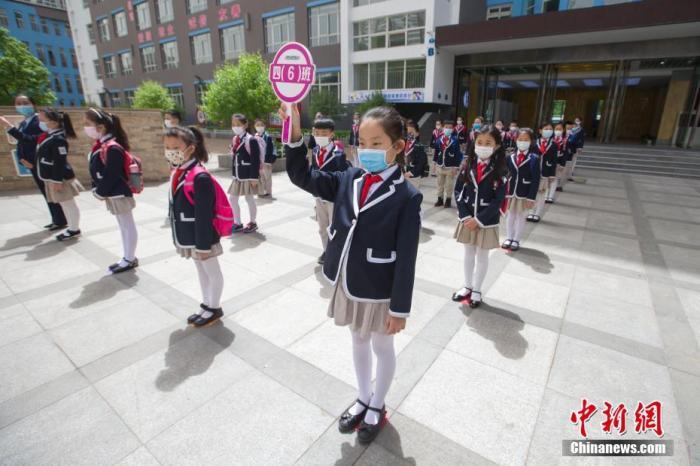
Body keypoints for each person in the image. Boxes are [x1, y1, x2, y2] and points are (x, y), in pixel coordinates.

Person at [282, 102, 421, 445]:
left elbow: (407, 258)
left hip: (379, 288)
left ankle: (377, 405)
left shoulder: (407, 196)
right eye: (362, 142)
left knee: (381, 344)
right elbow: (304, 176)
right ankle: (362, 396)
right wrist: (296, 133)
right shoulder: (350, 177)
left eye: (377, 144)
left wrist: (399, 309)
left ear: (398, 146)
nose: (367, 150)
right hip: (348, 279)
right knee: (357, 339)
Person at [165, 125, 225, 327]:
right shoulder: (179, 171)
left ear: (190, 148)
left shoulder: (199, 176)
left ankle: (214, 307)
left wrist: (203, 245)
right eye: (167, 147)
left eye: (175, 147)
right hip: (189, 234)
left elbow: (204, 215)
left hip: (202, 237)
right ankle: (207, 303)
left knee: (211, 270)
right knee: (201, 270)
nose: (170, 151)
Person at [452, 125, 507, 308]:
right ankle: (467, 286)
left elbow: (498, 200)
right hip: (467, 220)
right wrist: (466, 216)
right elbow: (458, 191)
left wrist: (479, 219)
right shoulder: (467, 165)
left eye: (488, 143)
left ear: (497, 146)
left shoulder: (501, 170)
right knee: (468, 253)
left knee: (482, 256)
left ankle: (477, 289)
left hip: (486, 221)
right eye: (480, 142)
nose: (482, 146)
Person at [0, 95, 67, 230]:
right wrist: (21, 158)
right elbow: (21, 143)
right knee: (45, 192)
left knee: (50, 191)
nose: (22, 106)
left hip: (39, 163)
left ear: (33, 104)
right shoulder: (25, 122)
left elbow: (34, 140)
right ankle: (57, 218)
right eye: (18, 103)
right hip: (30, 163)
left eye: (25, 102)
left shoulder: (39, 121)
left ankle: (60, 219)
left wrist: (9, 127)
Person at [86, 108, 139, 273]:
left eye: (88, 124)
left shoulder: (112, 147)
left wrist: (100, 191)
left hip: (118, 192)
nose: (86, 127)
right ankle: (127, 256)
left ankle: (129, 258)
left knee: (127, 225)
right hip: (113, 193)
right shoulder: (104, 145)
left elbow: (112, 173)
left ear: (101, 127)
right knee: (123, 225)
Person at [35, 108, 82, 241]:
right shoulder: (52, 136)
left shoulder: (58, 139)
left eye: (44, 120)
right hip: (53, 178)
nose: (42, 122)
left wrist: (57, 180)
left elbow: (59, 161)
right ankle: (72, 227)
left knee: (68, 204)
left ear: (55, 122)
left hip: (59, 178)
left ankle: (74, 229)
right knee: (64, 204)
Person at [309, 117, 349, 264]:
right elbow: (313, 172)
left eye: (324, 132)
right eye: (317, 132)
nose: (320, 136)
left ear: (331, 134)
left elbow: (343, 176)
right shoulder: (315, 151)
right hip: (319, 197)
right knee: (322, 227)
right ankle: (327, 251)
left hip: (333, 198)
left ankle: (337, 252)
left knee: (334, 228)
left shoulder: (339, 154)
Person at [503, 128, 539, 252]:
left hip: (524, 193)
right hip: (511, 192)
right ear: (515, 140)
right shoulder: (510, 156)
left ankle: (516, 239)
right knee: (510, 215)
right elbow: (505, 173)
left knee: (521, 216)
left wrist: (531, 197)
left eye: (526, 140)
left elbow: (535, 180)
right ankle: (509, 237)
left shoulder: (534, 158)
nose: (522, 142)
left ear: (531, 141)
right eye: (520, 139)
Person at [228, 113, 260, 233]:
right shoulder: (235, 139)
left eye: (238, 124)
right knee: (232, 199)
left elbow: (255, 159)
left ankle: (253, 222)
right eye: (233, 124)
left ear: (245, 125)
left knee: (249, 198)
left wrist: (254, 177)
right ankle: (237, 222)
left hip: (248, 175)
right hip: (238, 175)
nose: (235, 127)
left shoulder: (251, 139)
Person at [528, 122, 556, 222]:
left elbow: (554, 160)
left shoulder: (553, 144)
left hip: (545, 172)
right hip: (534, 172)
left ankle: (537, 213)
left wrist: (552, 174)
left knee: (541, 193)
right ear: (540, 130)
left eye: (550, 129)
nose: (548, 131)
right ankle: (531, 212)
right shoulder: (534, 143)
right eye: (545, 128)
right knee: (532, 193)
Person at [433, 120, 463, 208]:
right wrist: (434, 164)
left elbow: (458, 155)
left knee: (449, 185)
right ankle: (440, 199)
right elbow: (436, 153)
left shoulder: (455, 140)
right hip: (440, 165)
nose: (448, 129)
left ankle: (448, 200)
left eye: (450, 128)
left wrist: (456, 167)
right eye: (446, 127)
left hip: (450, 167)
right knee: (439, 184)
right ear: (443, 128)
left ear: (453, 129)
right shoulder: (439, 140)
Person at [254, 118, 276, 198]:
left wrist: (268, 161)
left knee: (267, 177)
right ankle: (261, 191)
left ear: (264, 126)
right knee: (260, 177)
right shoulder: (254, 137)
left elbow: (270, 149)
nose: (259, 127)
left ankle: (268, 192)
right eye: (257, 125)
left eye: (261, 125)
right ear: (255, 126)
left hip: (266, 161)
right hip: (258, 161)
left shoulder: (267, 137)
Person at [404, 120, 427, 190]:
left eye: (411, 132)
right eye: (408, 132)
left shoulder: (419, 146)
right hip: (402, 176)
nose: (409, 134)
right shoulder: (403, 144)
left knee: (413, 196)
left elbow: (421, 162)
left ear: (417, 133)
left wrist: (411, 172)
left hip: (414, 176)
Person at [553, 122, 568, 194]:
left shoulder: (565, 141)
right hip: (550, 161)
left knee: (555, 177)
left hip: (559, 161)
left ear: (563, 130)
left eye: (560, 129)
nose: (558, 130)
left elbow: (565, 153)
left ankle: (550, 196)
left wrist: (563, 164)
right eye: (556, 129)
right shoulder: (551, 139)